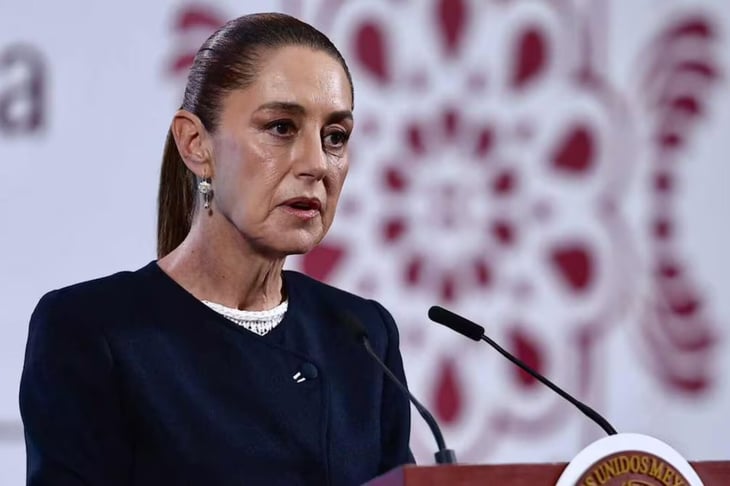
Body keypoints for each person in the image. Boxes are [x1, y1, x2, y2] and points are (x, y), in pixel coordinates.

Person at [19, 12, 413, 486]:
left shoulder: (363, 336)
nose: (316, 164)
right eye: (281, 127)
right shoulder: (92, 330)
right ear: (195, 144)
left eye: (335, 137)